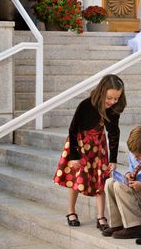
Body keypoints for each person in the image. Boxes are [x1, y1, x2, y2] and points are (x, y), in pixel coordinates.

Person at [53, 74, 126, 228]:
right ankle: (71, 211)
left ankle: (101, 216)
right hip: (80, 145)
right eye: (110, 97)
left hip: (98, 147)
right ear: (101, 92)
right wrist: (74, 155)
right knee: (77, 179)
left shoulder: (113, 109)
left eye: (116, 98)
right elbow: (72, 130)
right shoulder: (86, 105)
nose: (113, 102)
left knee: (101, 180)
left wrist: (113, 159)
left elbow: (113, 132)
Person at [102, 125, 141, 239]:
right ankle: (117, 224)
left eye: (140, 155)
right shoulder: (133, 155)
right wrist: (129, 174)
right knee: (109, 182)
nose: (137, 158)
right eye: (134, 154)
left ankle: (136, 226)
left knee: (119, 186)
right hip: (139, 191)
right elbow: (132, 169)